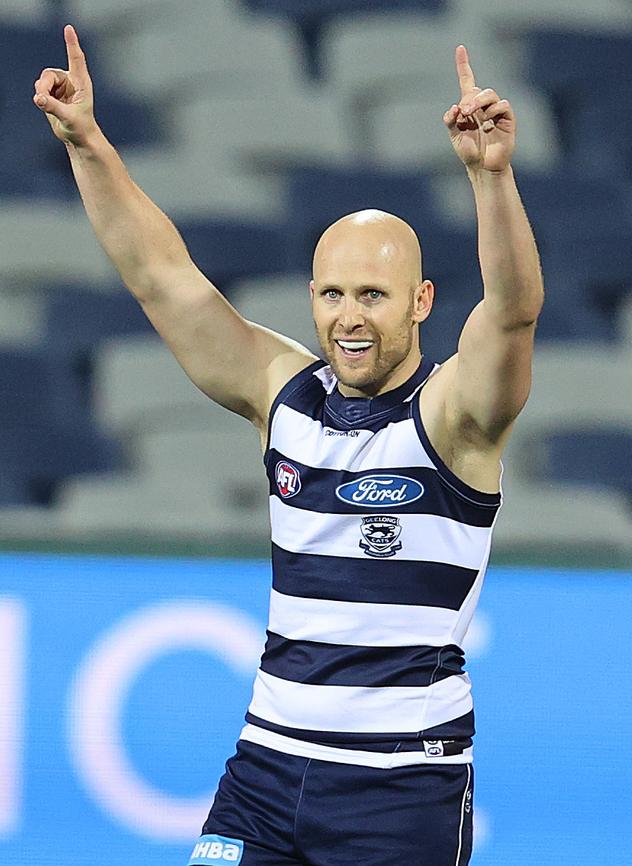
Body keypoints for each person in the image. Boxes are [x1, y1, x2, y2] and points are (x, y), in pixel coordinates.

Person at [34, 24, 543, 866]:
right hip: (266, 772)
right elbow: (162, 279)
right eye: (334, 293)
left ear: (420, 301)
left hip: (399, 793)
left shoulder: (455, 417)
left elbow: (515, 311)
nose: (350, 317)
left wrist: (491, 180)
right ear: (310, 294)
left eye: (373, 295)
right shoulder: (287, 394)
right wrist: (87, 143)